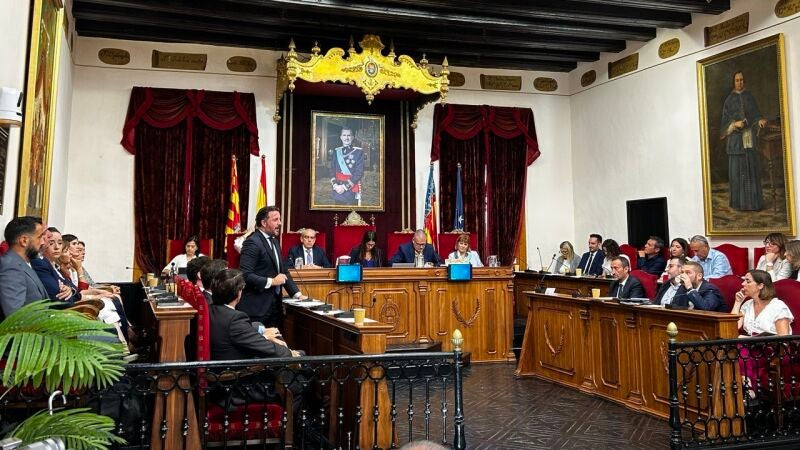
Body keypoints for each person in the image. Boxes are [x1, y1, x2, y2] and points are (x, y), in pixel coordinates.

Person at [209, 269, 299, 360]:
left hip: (222, 361)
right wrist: (289, 353)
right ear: (239, 293)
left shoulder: (210, 309)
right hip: (239, 367)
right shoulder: (235, 319)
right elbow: (264, 347)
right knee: (300, 355)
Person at [238, 206, 306, 327]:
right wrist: (272, 281)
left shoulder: (275, 242)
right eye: (275, 220)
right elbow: (245, 275)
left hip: (275, 307)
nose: (280, 223)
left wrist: (297, 295)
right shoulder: (252, 242)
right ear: (264, 223)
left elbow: (283, 272)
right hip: (257, 308)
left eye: (279, 219)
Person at [721, 70, 768, 211]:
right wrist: (734, 124)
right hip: (735, 141)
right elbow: (724, 123)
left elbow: (756, 114)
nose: (739, 82)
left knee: (751, 169)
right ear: (733, 82)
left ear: (744, 81)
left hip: (748, 138)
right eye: (737, 80)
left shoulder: (750, 97)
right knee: (737, 172)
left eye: (741, 80)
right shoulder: (729, 100)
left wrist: (760, 120)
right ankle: (739, 205)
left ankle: (754, 204)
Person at [0, 216, 49, 319]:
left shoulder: (23, 263)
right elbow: (15, 316)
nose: (43, 242)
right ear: (24, 241)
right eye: (40, 237)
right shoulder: (11, 267)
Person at [731, 269, 793, 336]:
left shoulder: (778, 307)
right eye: (744, 280)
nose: (743, 284)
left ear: (760, 286)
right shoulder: (747, 305)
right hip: (749, 341)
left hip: (772, 342)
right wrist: (737, 303)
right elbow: (731, 327)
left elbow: (783, 337)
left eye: (748, 281)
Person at [329, 127, 364, 205]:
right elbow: (332, 169)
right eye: (344, 135)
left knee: (350, 211)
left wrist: (344, 187)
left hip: (350, 189)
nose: (346, 138)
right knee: (338, 210)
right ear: (341, 137)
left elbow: (359, 173)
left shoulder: (358, 152)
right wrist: (335, 185)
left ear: (352, 137)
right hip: (337, 188)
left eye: (349, 135)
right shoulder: (336, 151)